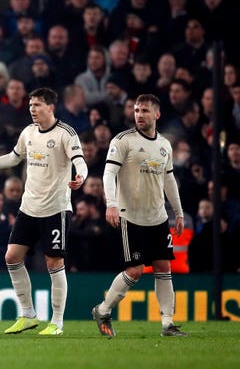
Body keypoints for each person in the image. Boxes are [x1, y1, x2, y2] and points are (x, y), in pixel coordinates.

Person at [0, 87, 87, 336]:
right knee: (12, 257)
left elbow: (79, 160)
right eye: (30, 105)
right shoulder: (28, 132)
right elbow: (13, 158)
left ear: (50, 107)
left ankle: (57, 323)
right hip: (29, 208)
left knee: (54, 261)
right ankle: (28, 314)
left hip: (56, 209)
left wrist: (81, 175)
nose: (32, 109)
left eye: (37, 105)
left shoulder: (66, 133)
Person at [91, 94, 187, 338]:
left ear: (157, 114)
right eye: (136, 110)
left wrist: (178, 211)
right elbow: (108, 173)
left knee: (163, 267)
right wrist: (111, 204)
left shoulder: (165, 144)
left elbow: (169, 179)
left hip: (158, 217)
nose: (139, 114)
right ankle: (103, 310)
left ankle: (167, 324)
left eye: (144, 110)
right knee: (134, 271)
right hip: (130, 217)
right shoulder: (123, 140)